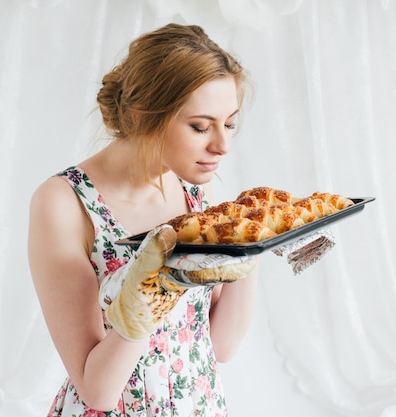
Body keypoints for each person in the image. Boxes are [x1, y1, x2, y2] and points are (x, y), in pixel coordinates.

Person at [28, 23, 258, 416]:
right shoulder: (64, 202)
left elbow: (222, 344)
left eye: (230, 123)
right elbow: (96, 390)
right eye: (201, 126)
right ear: (138, 116)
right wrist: (148, 298)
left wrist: (254, 245)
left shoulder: (194, 192)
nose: (223, 145)